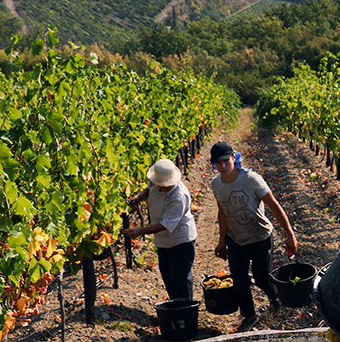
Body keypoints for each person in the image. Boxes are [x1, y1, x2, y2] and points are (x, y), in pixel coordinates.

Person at [209, 141, 299, 331]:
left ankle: (276, 299)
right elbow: (222, 212)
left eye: (226, 161)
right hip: (236, 239)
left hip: (260, 237)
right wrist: (222, 240)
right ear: (214, 164)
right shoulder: (216, 184)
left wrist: (289, 234)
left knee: (261, 278)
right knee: (239, 281)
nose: (223, 166)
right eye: (218, 163)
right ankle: (250, 316)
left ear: (234, 157)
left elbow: (274, 206)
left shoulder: (252, 179)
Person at [125, 158, 197, 301]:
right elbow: (149, 189)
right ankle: (174, 307)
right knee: (168, 276)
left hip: (180, 240)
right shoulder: (157, 181)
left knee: (181, 277)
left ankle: (186, 312)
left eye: (166, 185)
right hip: (163, 240)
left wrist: (140, 231)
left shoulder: (179, 196)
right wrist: (138, 198)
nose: (162, 187)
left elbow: (166, 225)